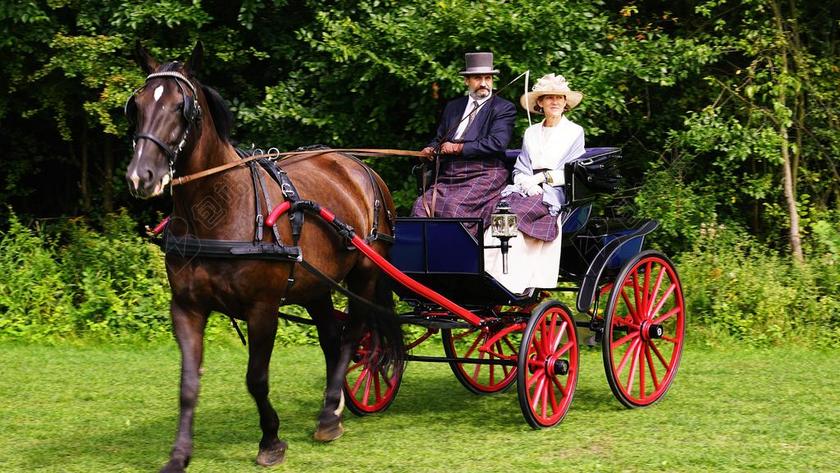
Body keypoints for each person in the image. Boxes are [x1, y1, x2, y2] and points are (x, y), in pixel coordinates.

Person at [484, 73, 585, 294]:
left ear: (566, 101)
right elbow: (521, 167)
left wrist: (541, 179)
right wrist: (526, 183)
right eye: (549, 97)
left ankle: (514, 282)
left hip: (555, 191)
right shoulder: (531, 132)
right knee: (495, 213)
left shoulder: (575, 132)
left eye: (560, 97)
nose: (555, 102)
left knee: (516, 217)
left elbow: (572, 170)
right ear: (540, 102)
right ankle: (488, 276)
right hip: (526, 188)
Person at [411, 52, 517, 228]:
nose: (484, 83)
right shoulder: (454, 107)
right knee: (420, 208)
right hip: (451, 174)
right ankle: (425, 254)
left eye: (488, 78)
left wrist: (458, 148)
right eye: (477, 78)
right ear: (467, 80)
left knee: (453, 208)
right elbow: (439, 138)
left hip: (486, 173)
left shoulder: (503, 108)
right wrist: (430, 149)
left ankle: (456, 255)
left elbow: (497, 143)